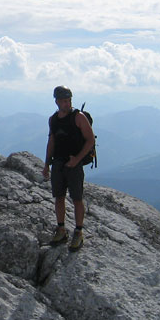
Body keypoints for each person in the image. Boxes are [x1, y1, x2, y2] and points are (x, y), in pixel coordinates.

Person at [42, 85, 95, 250]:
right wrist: (46, 164)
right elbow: (52, 141)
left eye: (69, 100)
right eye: (64, 101)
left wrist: (77, 159)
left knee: (77, 198)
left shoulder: (78, 117)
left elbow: (90, 139)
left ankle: (78, 233)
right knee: (59, 197)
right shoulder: (53, 119)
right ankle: (61, 229)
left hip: (74, 164)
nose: (67, 103)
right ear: (57, 102)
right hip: (58, 162)